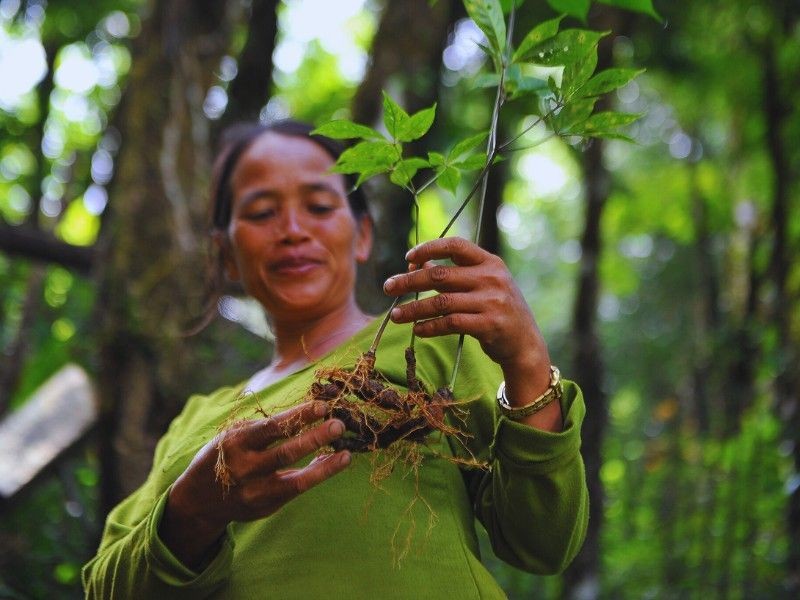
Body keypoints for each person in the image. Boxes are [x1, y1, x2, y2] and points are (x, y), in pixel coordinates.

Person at [82, 120, 588, 598]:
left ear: (362, 235)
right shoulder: (195, 420)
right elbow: (105, 586)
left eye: (320, 207)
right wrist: (190, 512)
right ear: (226, 254)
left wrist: (526, 360)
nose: (292, 229)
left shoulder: (430, 341)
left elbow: (543, 543)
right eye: (261, 213)